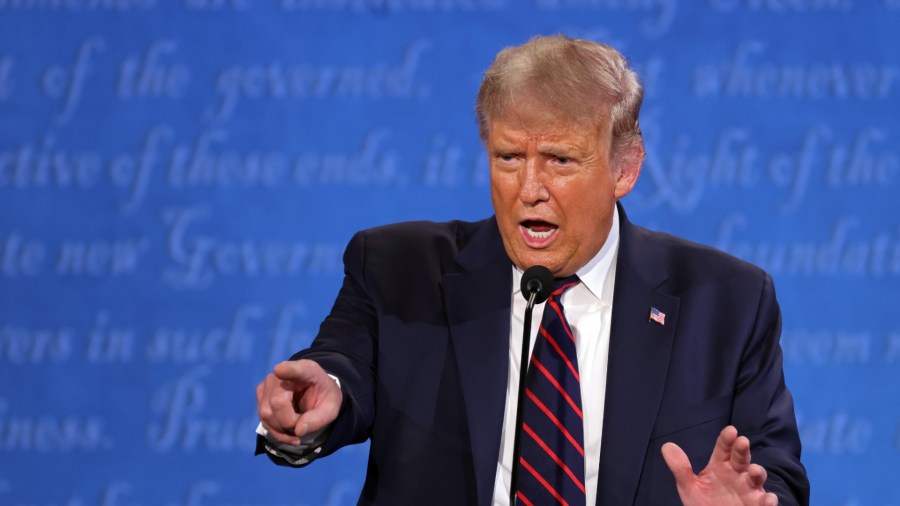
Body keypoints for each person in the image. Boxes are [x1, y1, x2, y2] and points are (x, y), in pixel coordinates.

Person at [255, 35, 810, 505]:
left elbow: (772, 473)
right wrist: (315, 397)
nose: (530, 191)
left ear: (625, 168)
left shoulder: (729, 302)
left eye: (560, 161)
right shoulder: (399, 270)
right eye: (509, 158)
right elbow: (340, 367)